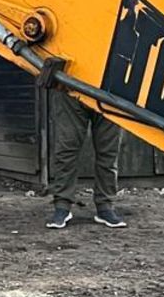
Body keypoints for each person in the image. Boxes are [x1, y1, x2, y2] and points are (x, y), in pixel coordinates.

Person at [46, 88, 126, 229]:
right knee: (66, 149)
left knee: (108, 151)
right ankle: (62, 206)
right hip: (71, 86)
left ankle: (105, 206)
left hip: (110, 90)